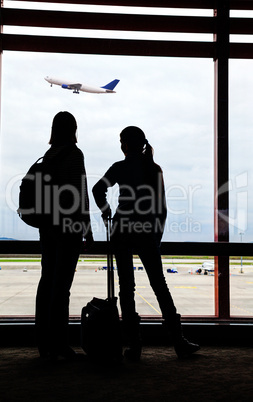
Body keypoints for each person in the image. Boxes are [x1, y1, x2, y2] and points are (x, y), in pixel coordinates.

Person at [92, 126, 199, 360]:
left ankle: (134, 345)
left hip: (122, 231)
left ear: (127, 144)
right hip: (147, 232)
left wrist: (106, 210)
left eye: (122, 141)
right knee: (160, 286)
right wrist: (156, 235)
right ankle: (178, 341)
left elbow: (97, 189)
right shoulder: (154, 169)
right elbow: (161, 208)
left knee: (126, 289)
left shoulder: (119, 167)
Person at [35, 111, 93, 361]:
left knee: (46, 282)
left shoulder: (49, 155)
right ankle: (59, 344)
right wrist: (87, 230)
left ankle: (44, 343)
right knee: (62, 288)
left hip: (48, 227)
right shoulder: (73, 154)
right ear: (74, 130)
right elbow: (80, 194)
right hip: (69, 228)